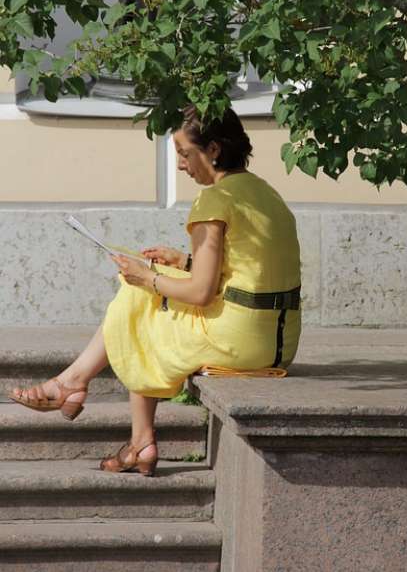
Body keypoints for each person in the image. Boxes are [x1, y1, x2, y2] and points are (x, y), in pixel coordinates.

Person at [8, 107, 302, 477]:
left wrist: (147, 278)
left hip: (240, 343)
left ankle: (81, 391)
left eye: (183, 153)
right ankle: (120, 426)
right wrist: (183, 261)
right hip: (278, 339)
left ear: (212, 149)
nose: (180, 165)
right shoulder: (263, 192)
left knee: (139, 303)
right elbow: (252, 271)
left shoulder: (214, 200)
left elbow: (200, 294)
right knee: (142, 291)